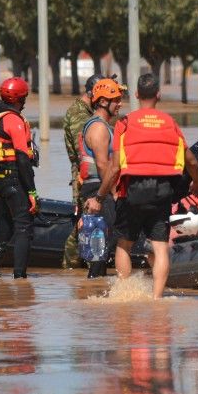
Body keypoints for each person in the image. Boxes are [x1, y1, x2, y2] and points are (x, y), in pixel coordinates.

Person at [110, 73, 198, 299]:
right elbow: (191, 160)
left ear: (136, 94)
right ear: (158, 95)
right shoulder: (170, 124)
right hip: (162, 191)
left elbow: (114, 167)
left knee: (124, 243)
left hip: (132, 191)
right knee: (161, 246)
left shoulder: (124, 123)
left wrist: (105, 192)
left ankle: (124, 294)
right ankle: (157, 298)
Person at [0, 77, 39, 279]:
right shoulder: (14, 121)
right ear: (21, 98)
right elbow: (23, 160)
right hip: (14, 181)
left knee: (2, 230)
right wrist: (32, 192)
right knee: (24, 229)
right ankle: (20, 278)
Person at [78, 77, 125, 278]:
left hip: (100, 188)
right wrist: (113, 193)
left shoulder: (105, 126)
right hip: (98, 189)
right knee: (100, 247)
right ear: (104, 102)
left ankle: (97, 290)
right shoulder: (98, 128)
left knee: (104, 246)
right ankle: (94, 287)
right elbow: (102, 164)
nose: (120, 104)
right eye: (116, 100)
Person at [61, 74, 103, 269]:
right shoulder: (80, 114)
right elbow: (83, 151)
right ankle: (70, 263)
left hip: (88, 172)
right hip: (83, 173)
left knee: (85, 219)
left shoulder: (87, 111)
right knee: (84, 220)